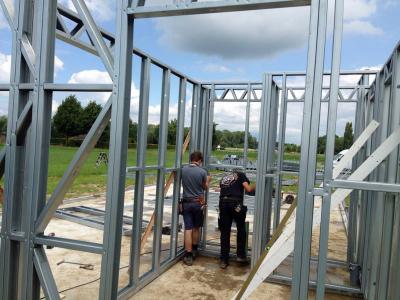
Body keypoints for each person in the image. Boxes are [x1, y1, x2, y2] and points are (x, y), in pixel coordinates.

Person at [218, 170, 255, 269]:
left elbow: (221, 188)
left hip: (223, 203)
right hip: (236, 205)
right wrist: (258, 183)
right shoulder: (241, 175)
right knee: (241, 228)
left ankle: (224, 260)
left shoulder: (224, 177)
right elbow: (248, 189)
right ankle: (240, 256)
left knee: (225, 232)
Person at [181, 151, 211, 266]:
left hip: (186, 203)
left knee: (188, 228)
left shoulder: (183, 170)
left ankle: (188, 256)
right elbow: (205, 187)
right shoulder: (202, 172)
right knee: (196, 228)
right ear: (199, 161)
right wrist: (208, 179)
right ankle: (194, 250)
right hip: (198, 203)